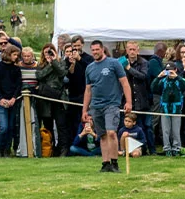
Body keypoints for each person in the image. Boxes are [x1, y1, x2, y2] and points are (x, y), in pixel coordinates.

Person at [81, 40, 131, 173]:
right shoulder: (89, 68)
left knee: (111, 133)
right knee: (102, 135)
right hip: (96, 106)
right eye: (93, 50)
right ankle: (105, 163)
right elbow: (88, 90)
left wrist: (128, 102)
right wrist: (85, 110)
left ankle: (115, 163)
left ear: (103, 49)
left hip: (112, 104)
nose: (95, 52)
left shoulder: (113, 63)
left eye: (97, 49)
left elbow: (125, 83)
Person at [120, 42, 154, 154]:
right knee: (131, 127)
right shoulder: (121, 62)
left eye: (134, 49)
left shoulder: (144, 63)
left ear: (138, 51)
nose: (132, 52)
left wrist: (129, 68)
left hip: (143, 100)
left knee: (147, 127)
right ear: (127, 50)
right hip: (128, 101)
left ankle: (151, 149)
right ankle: (132, 150)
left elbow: (142, 76)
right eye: (130, 49)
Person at [35, 43, 67, 156]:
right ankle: (50, 149)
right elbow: (39, 76)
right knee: (48, 125)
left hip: (58, 98)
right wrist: (50, 64)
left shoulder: (61, 62)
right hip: (46, 99)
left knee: (61, 125)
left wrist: (54, 62)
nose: (48, 54)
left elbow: (62, 73)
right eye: (46, 53)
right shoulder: (40, 65)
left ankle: (63, 149)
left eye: (50, 52)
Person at [64, 36, 94, 155]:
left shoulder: (88, 58)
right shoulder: (68, 59)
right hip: (72, 95)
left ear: (82, 45)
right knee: (72, 122)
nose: (76, 48)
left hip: (85, 94)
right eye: (74, 46)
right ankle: (73, 146)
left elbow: (90, 69)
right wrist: (72, 63)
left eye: (78, 46)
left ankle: (86, 146)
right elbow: (67, 76)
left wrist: (79, 59)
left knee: (83, 120)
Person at [152, 63, 185, 156]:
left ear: (175, 70)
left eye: (171, 70)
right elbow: (153, 88)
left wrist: (177, 77)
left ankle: (176, 148)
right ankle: (167, 148)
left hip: (176, 109)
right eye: (167, 70)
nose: (169, 72)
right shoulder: (163, 81)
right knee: (165, 130)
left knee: (176, 130)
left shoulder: (179, 80)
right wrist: (158, 77)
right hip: (165, 109)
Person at [0, 46, 22, 157]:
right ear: (9, 54)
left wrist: (14, 98)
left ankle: (7, 150)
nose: (16, 57)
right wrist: (0, 99)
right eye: (14, 55)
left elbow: (18, 85)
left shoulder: (16, 69)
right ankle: (0, 148)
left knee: (11, 127)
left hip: (13, 101)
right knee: (3, 127)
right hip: (1, 101)